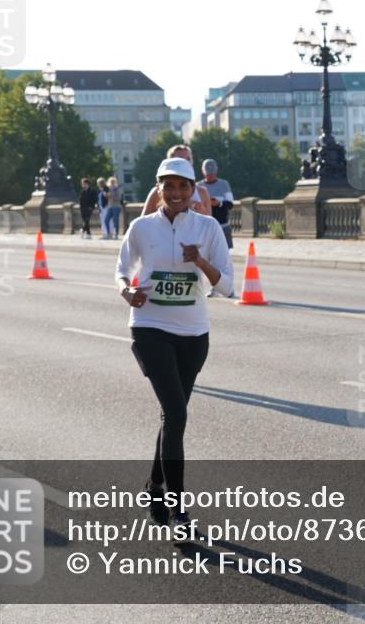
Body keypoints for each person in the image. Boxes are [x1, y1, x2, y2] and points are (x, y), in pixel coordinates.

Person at [117, 157, 233, 530]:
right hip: (149, 327)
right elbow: (121, 270)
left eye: (183, 186)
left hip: (194, 334)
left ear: (194, 190)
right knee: (177, 413)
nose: (177, 193)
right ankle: (178, 509)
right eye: (169, 186)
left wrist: (199, 259)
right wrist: (127, 291)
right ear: (158, 189)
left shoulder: (208, 227)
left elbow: (228, 285)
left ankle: (154, 483)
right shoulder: (141, 227)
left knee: (172, 415)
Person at [141, 145, 212, 217]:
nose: (185, 162)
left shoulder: (202, 192)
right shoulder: (156, 192)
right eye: (180, 159)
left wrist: (201, 210)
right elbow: (143, 223)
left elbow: (211, 223)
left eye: (188, 159)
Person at [201, 159, 234, 249]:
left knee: (225, 255)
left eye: (212, 174)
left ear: (216, 170)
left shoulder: (224, 184)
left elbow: (230, 204)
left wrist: (219, 203)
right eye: (208, 174)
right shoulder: (198, 186)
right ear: (202, 171)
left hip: (222, 225)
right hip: (204, 227)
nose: (210, 176)